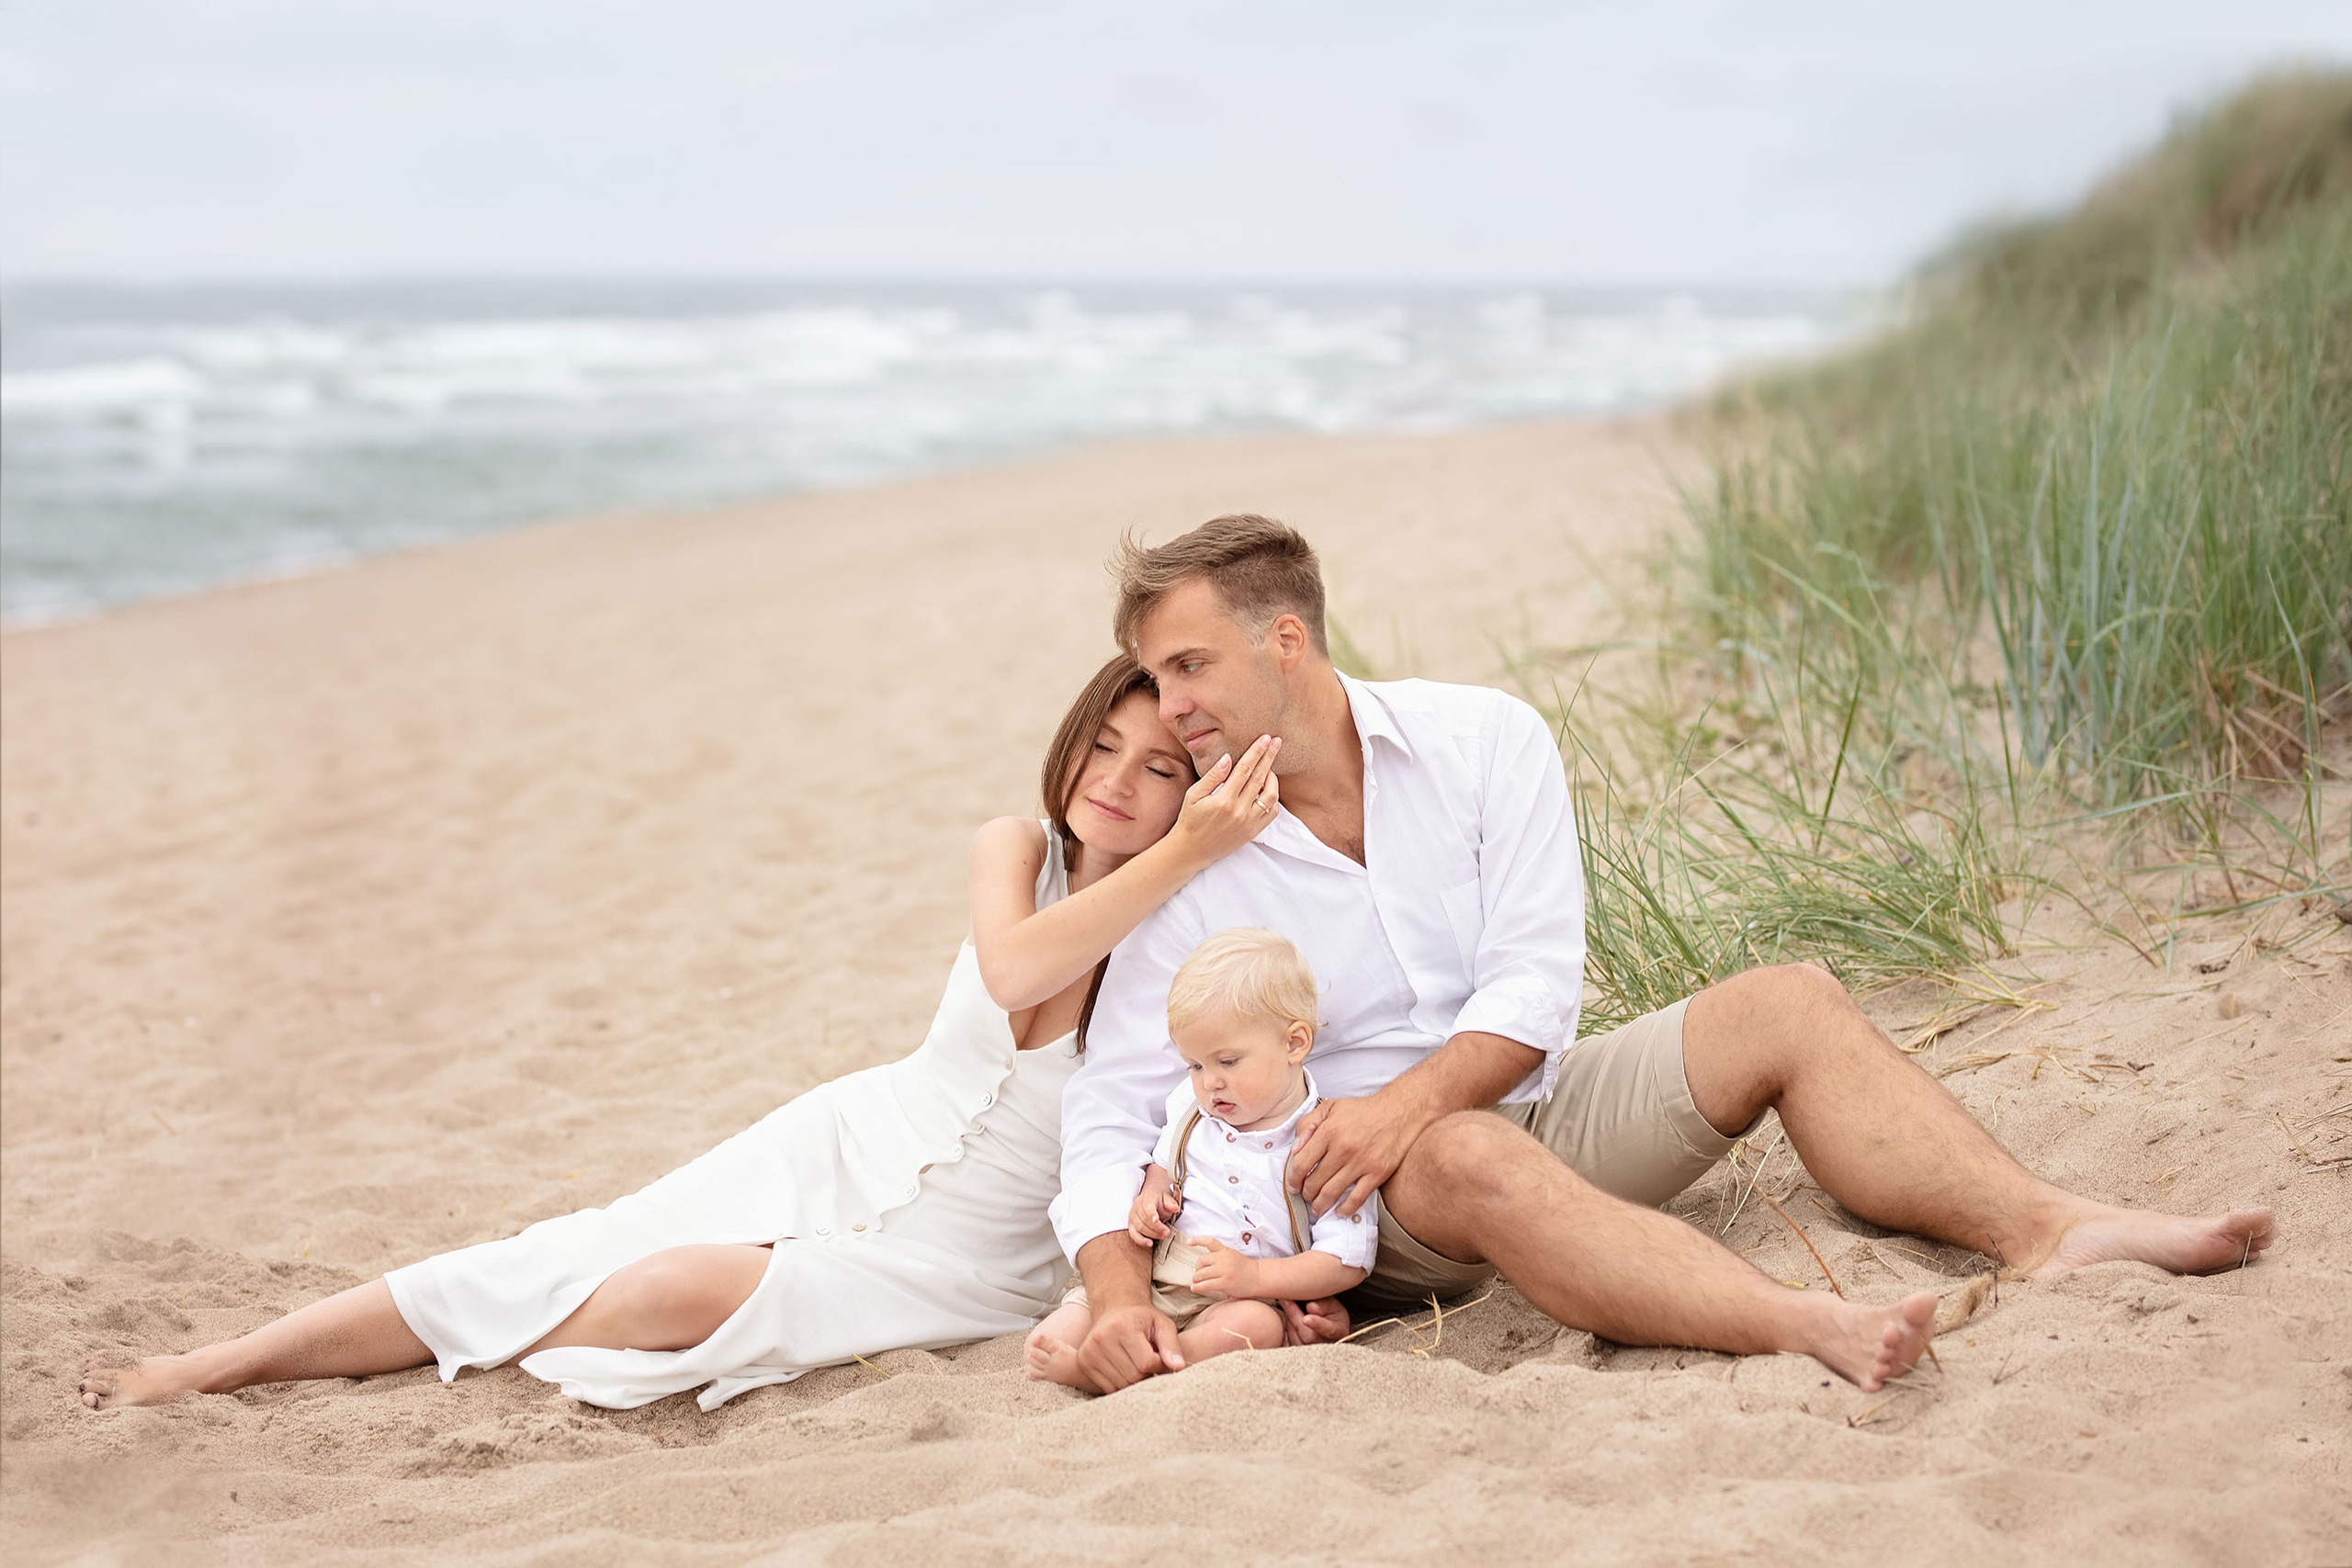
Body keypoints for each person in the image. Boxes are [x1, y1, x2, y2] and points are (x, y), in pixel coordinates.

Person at [1053, 513, 2278, 1397]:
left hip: (1537, 1093)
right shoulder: (1197, 857)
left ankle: (2049, 1225)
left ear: (1285, 641)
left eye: (1188, 664)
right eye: (1157, 675)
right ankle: (1808, 1321)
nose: (1170, 703)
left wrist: (1415, 1097)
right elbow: (1107, 1106)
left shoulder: (1484, 738)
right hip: (1361, 1192)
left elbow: (1536, 986)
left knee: (1788, 1001)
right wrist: (1117, 1294)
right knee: (1468, 1146)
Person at [79, 656, 1283, 1413]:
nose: (1118, 780)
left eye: (1165, 767)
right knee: (566, 1243)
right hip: (854, 1128)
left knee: (663, 1291)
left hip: (973, 1250)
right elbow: (1021, 962)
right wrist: (1192, 841)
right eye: (1106, 742)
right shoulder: (1009, 844)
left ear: (1200, 788)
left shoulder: (1184, 932)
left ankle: (472, 1345)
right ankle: (221, 1362)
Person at [1025, 927, 1374, 1389]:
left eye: (1227, 1062)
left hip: (1235, 1294)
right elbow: (1164, 1165)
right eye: (1195, 1065)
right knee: (1053, 1335)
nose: (1209, 1082)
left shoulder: (1324, 1141)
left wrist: (1255, 1276)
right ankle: (1113, 1354)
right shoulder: (1191, 1113)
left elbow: (1346, 1259)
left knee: (1257, 1330)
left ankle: (1156, 1363)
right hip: (1155, 1274)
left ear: (1294, 1044)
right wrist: (1151, 1199)